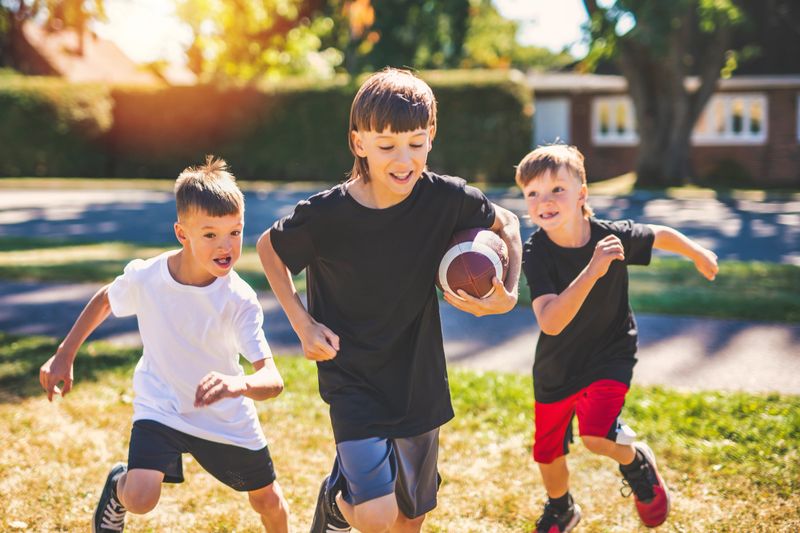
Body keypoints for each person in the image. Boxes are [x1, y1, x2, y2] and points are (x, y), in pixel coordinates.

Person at [257, 67, 522, 533]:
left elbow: (511, 227)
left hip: (418, 376)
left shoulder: (447, 199)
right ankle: (339, 505)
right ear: (358, 143)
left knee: (411, 514)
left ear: (431, 137)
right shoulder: (327, 215)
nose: (404, 160)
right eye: (386, 146)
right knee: (377, 516)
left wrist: (508, 294)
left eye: (416, 143)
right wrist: (302, 323)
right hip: (351, 375)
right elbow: (268, 250)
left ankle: (346, 502)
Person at [39, 157, 290, 533]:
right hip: (162, 404)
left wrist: (238, 385)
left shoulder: (239, 298)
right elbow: (107, 299)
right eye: (210, 234)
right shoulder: (148, 276)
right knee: (140, 497)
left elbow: (272, 379)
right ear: (181, 234)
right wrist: (64, 354)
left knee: (266, 500)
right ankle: (117, 487)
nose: (226, 246)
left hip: (223, 416)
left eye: (235, 232)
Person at [517, 144, 719, 532]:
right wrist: (592, 271)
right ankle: (561, 508)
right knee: (547, 452)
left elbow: (658, 234)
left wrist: (696, 251)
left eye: (557, 189)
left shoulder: (610, 236)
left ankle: (637, 463)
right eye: (533, 193)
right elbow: (551, 322)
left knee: (595, 437)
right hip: (557, 363)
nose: (545, 200)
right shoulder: (537, 252)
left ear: (582, 194)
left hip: (611, 352)